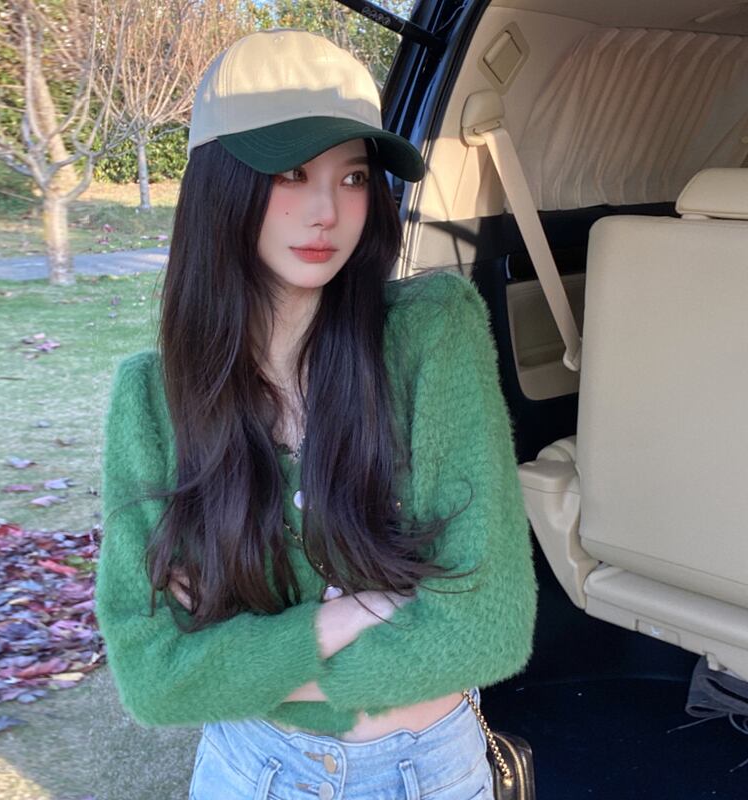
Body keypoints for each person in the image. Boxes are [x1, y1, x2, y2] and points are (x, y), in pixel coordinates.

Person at [94, 28, 537, 800]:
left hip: (424, 773)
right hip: (248, 770)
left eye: (354, 176)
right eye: (292, 172)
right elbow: (153, 680)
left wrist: (235, 657)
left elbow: (485, 633)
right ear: (221, 186)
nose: (328, 210)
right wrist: (332, 624)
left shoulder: (432, 334)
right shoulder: (152, 399)